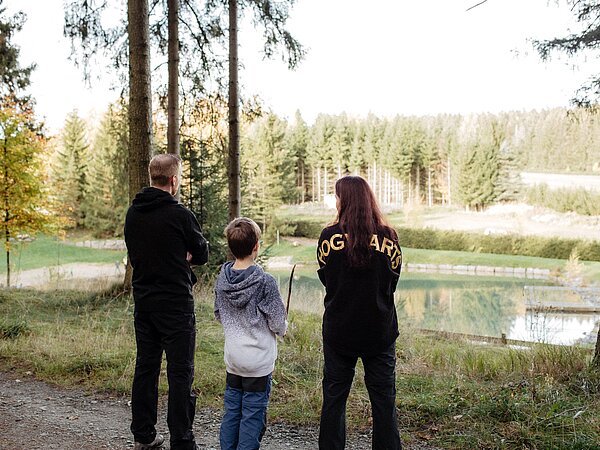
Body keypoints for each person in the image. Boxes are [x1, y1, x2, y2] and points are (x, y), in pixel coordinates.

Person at [124, 153, 209, 450]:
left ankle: (143, 434)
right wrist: (181, 255)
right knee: (180, 372)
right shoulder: (180, 215)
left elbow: (136, 252)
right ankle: (182, 440)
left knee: (146, 367)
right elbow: (202, 253)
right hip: (175, 305)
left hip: (144, 303)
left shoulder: (133, 213)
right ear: (173, 180)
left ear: (151, 178)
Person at [316, 175, 403, 450]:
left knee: (334, 399)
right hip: (379, 332)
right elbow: (392, 283)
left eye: (337, 196)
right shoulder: (390, 237)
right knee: (384, 402)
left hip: (339, 332)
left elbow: (326, 278)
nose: (336, 201)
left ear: (345, 200)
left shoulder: (328, 237)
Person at [214, 217, 288, 450]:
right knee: (252, 416)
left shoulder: (222, 279)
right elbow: (278, 323)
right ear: (256, 246)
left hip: (233, 360)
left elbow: (218, 314)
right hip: (258, 364)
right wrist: (284, 327)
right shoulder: (265, 281)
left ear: (230, 247)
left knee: (232, 411)